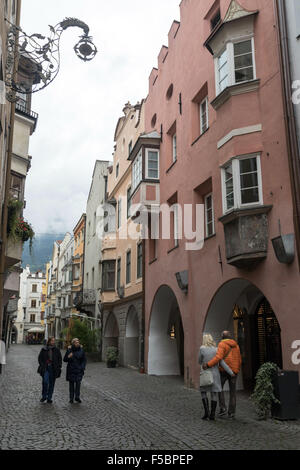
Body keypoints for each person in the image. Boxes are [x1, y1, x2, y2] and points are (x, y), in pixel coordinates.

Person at [203, 330, 242, 419]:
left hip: (223, 370)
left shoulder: (221, 344)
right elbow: (239, 359)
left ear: (222, 336)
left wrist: (208, 364)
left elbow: (218, 357)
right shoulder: (236, 345)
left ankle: (223, 408)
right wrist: (237, 369)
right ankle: (231, 413)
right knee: (233, 392)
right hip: (234, 371)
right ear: (230, 336)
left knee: (219, 389)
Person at [199, 334, 235, 420]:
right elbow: (222, 362)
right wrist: (231, 372)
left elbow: (199, 361)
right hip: (215, 375)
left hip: (205, 374)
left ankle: (206, 412)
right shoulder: (216, 350)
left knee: (203, 392)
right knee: (213, 393)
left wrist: (205, 361)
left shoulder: (202, 349)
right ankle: (212, 415)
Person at [38, 337, 62, 403]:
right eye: (52, 341)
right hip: (46, 367)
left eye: (54, 341)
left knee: (51, 383)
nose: (53, 342)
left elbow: (59, 358)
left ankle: (49, 397)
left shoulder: (56, 349)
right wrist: (42, 365)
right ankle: (44, 396)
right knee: (45, 382)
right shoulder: (44, 349)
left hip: (53, 368)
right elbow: (40, 358)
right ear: (49, 341)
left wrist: (59, 366)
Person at [64, 338, 86, 404]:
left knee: (78, 384)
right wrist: (68, 356)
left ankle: (77, 397)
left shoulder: (81, 350)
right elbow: (64, 359)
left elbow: (84, 360)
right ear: (73, 343)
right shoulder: (69, 350)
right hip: (71, 369)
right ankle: (71, 398)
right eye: (76, 342)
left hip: (79, 369)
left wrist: (82, 367)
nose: (77, 343)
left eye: (78, 342)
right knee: (71, 385)